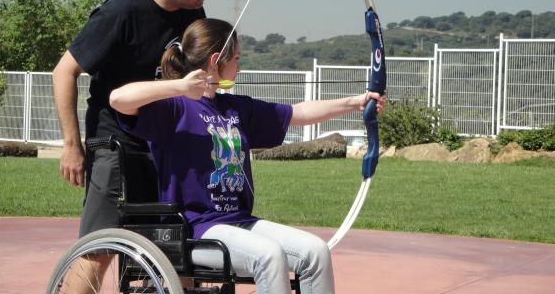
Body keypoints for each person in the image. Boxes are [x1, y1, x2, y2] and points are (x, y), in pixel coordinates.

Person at [109, 18, 387, 294]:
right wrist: (181, 86)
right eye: (237, 58)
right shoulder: (174, 109)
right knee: (268, 255)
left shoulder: (236, 108)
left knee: (315, 252)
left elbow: (299, 113)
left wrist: (357, 102)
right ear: (217, 60)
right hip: (195, 229)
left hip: (239, 221)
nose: (240, 67)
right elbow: (118, 99)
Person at [52, 0, 217, 239]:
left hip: (163, 145)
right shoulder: (121, 11)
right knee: (100, 247)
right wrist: (72, 146)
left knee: (164, 251)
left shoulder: (193, 12)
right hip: (117, 144)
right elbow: (63, 71)